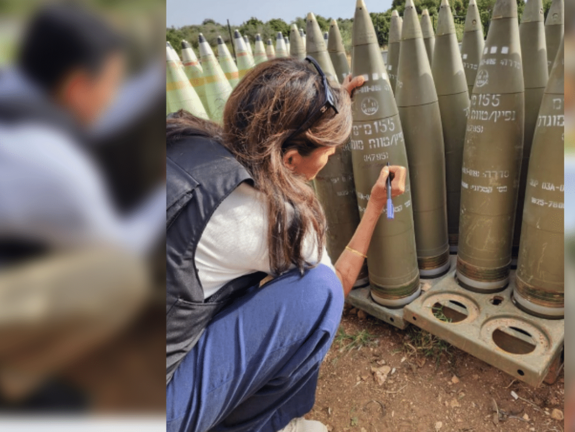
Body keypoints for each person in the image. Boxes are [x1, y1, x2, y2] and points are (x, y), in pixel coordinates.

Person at [166, 58, 406, 432]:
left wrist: (333, 105)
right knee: (317, 292)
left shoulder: (184, 136)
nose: (329, 160)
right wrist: (375, 206)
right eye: (329, 152)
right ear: (292, 158)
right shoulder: (274, 220)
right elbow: (336, 288)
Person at [0, 5, 164, 409]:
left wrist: (153, 83)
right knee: (120, 277)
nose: (114, 95)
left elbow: (104, 116)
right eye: (111, 83)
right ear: (78, 86)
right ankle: (11, 378)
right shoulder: (51, 164)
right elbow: (115, 247)